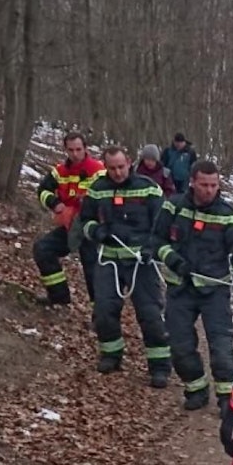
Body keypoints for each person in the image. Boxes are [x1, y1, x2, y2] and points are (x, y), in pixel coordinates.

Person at [152, 159, 233, 412]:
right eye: (204, 185)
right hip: (180, 288)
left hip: (214, 291)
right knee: (180, 346)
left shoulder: (228, 215)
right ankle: (196, 389)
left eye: (214, 185)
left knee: (221, 347)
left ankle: (228, 399)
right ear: (192, 183)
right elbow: (156, 241)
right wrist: (173, 259)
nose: (209, 190)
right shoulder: (173, 206)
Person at [78, 146, 171, 386]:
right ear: (105, 167)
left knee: (150, 313)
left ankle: (160, 366)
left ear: (129, 162)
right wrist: (96, 231)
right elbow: (85, 220)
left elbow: (162, 224)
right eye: (112, 168)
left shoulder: (149, 187)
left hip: (140, 260)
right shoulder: (97, 189)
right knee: (104, 310)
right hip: (109, 258)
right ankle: (111, 354)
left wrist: (152, 248)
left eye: (121, 167)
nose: (118, 172)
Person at [32, 132, 104, 306]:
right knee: (42, 249)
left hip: (91, 226)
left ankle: (100, 312)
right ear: (65, 150)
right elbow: (43, 190)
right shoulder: (60, 171)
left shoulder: (98, 170)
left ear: (85, 148)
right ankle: (58, 296)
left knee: (92, 267)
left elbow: (107, 196)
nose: (75, 154)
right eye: (71, 150)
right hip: (70, 226)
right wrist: (55, 203)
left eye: (78, 149)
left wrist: (86, 205)